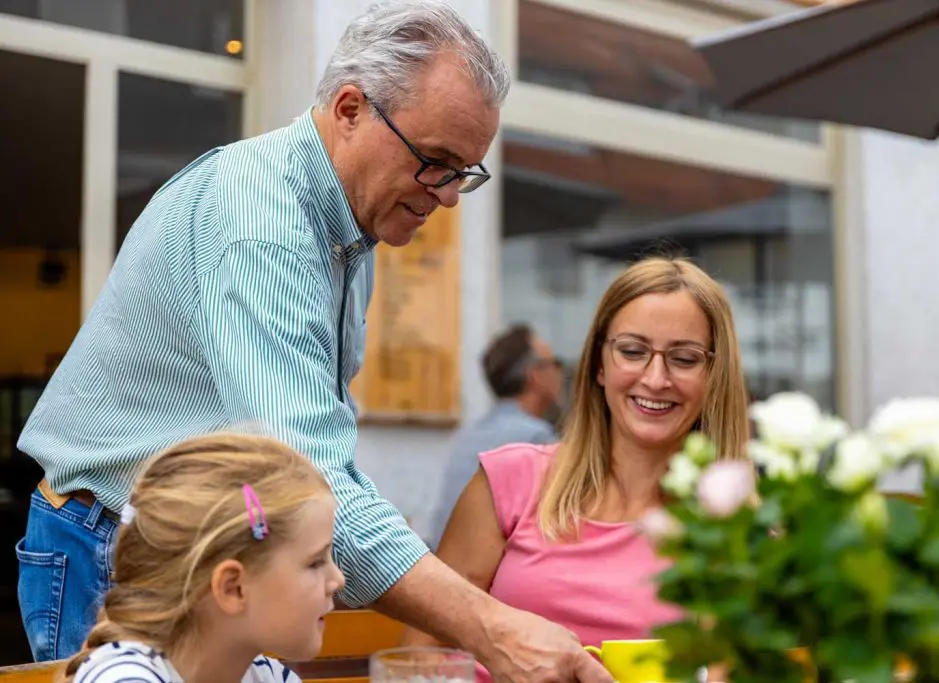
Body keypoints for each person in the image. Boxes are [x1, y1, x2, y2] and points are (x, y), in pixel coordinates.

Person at [14, 2, 611, 682]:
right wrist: (492, 626)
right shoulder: (262, 221)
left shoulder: (350, 219)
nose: (447, 197)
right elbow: (308, 476)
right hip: (119, 549)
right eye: (435, 162)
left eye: (465, 172)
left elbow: (311, 470)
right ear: (351, 108)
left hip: (211, 551)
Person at [404, 257, 749, 683]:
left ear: (715, 374)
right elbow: (419, 658)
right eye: (633, 351)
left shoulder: (736, 526)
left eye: (684, 358)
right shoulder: (509, 481)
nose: (656, 378)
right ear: (599, 364)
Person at [59, 433, 341, 682]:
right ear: (233, 588)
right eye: (315, 562)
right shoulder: (121, 678)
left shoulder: (268, 675)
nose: (338, 579)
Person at [431, 324, 563, 545]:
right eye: (555, 364)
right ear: (535, 375)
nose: (561, 372)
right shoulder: (536, 440)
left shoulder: (469, 434)